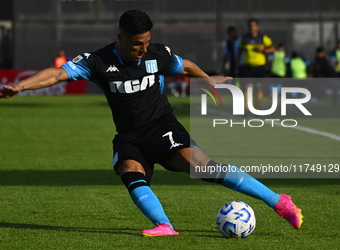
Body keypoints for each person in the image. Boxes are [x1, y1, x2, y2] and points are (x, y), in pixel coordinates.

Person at [0, 10, 303, 237]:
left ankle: (279, 202)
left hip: (162, 125)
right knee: (129, 169)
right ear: (120, 37)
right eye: (136, 44)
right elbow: (55, 75)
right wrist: (20, 87)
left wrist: (208, 80)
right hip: (130, 135)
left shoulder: (156, 54)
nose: (143, 49)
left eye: (146, 42)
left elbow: (184, 66)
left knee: (201, 166)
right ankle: (165, 225)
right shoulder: (96, 61)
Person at [235, 18, 275, 114]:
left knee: (258, 88)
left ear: (257, 27)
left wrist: (263, 50)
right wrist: (236, 67)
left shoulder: (263, 38)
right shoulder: (244, 39)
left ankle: (258, 109)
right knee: (248, 87)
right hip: (247, 67)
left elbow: (272, 50)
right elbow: (239, 53)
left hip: (259, 67)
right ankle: (248, 110)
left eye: (254, 26)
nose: (252, 28)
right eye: (250, 26)